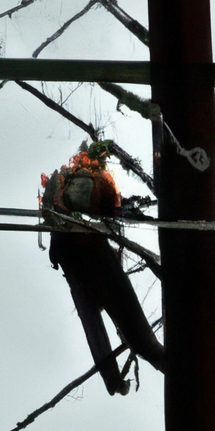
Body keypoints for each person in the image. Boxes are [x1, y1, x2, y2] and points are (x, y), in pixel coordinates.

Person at [43, 142, 164, 395]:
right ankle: (156, 358)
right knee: (130, 317)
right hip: (94, 254)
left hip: (70, 258)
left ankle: (113, 380)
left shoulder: (62, 181)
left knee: (92, 323)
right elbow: (114, 211)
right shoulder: (101, 179)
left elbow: (53, 216)